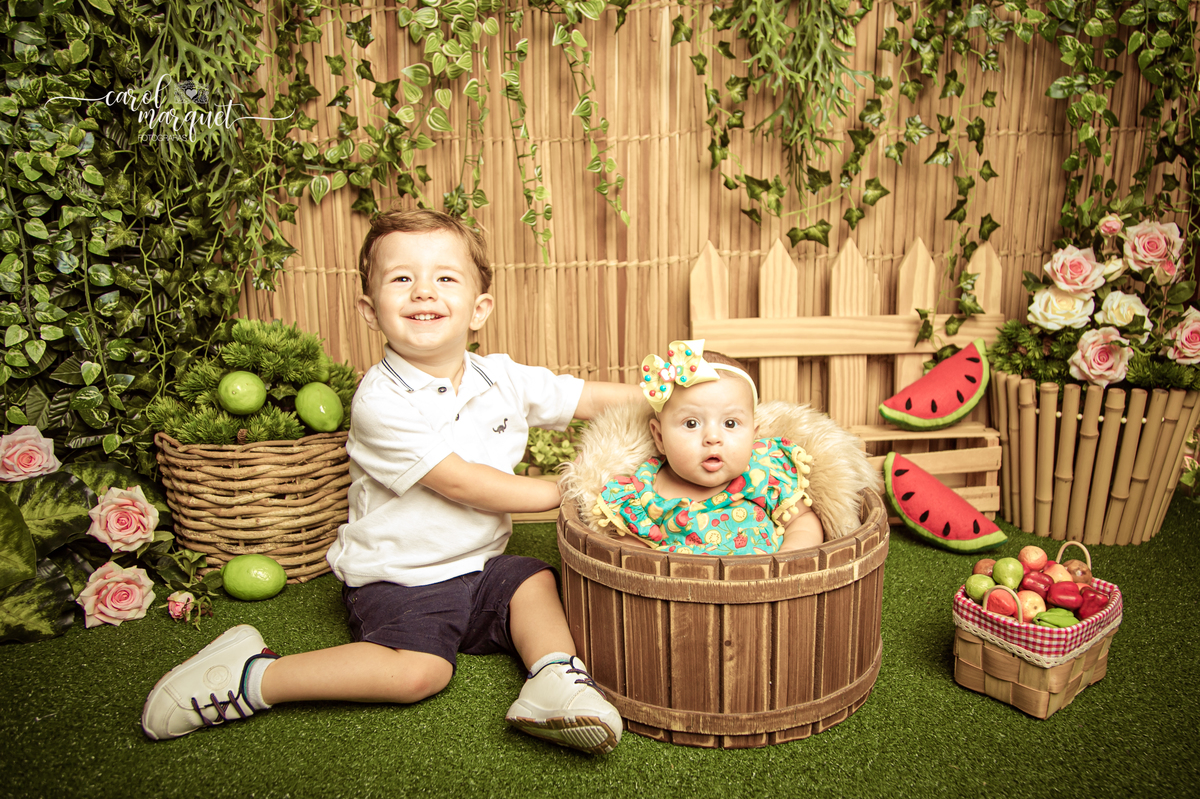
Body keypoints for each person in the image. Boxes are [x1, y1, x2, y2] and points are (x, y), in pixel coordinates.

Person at [141, 210, 641, 755]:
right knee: (419, 675)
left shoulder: (502, 377)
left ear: (479, 310)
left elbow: (588, 399)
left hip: (480, 566)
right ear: (370, 310)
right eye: (402, 278)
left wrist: (672, 395)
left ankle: (553, 680)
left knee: (531, 582)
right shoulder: (379, 401)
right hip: (401, 577)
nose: (424, 290)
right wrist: (571, 490)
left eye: (445, 278)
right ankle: (252, 677)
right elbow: (465, 484)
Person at [592, 341, 824, 555]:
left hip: (764, 588)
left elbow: (801, 520)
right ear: (660, 437)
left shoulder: (763, 472)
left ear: (753, 436)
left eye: (730, 423)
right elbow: (632, 547)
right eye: (691, 423)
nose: (713, 437)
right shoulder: (646, 489)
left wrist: (789, 556)